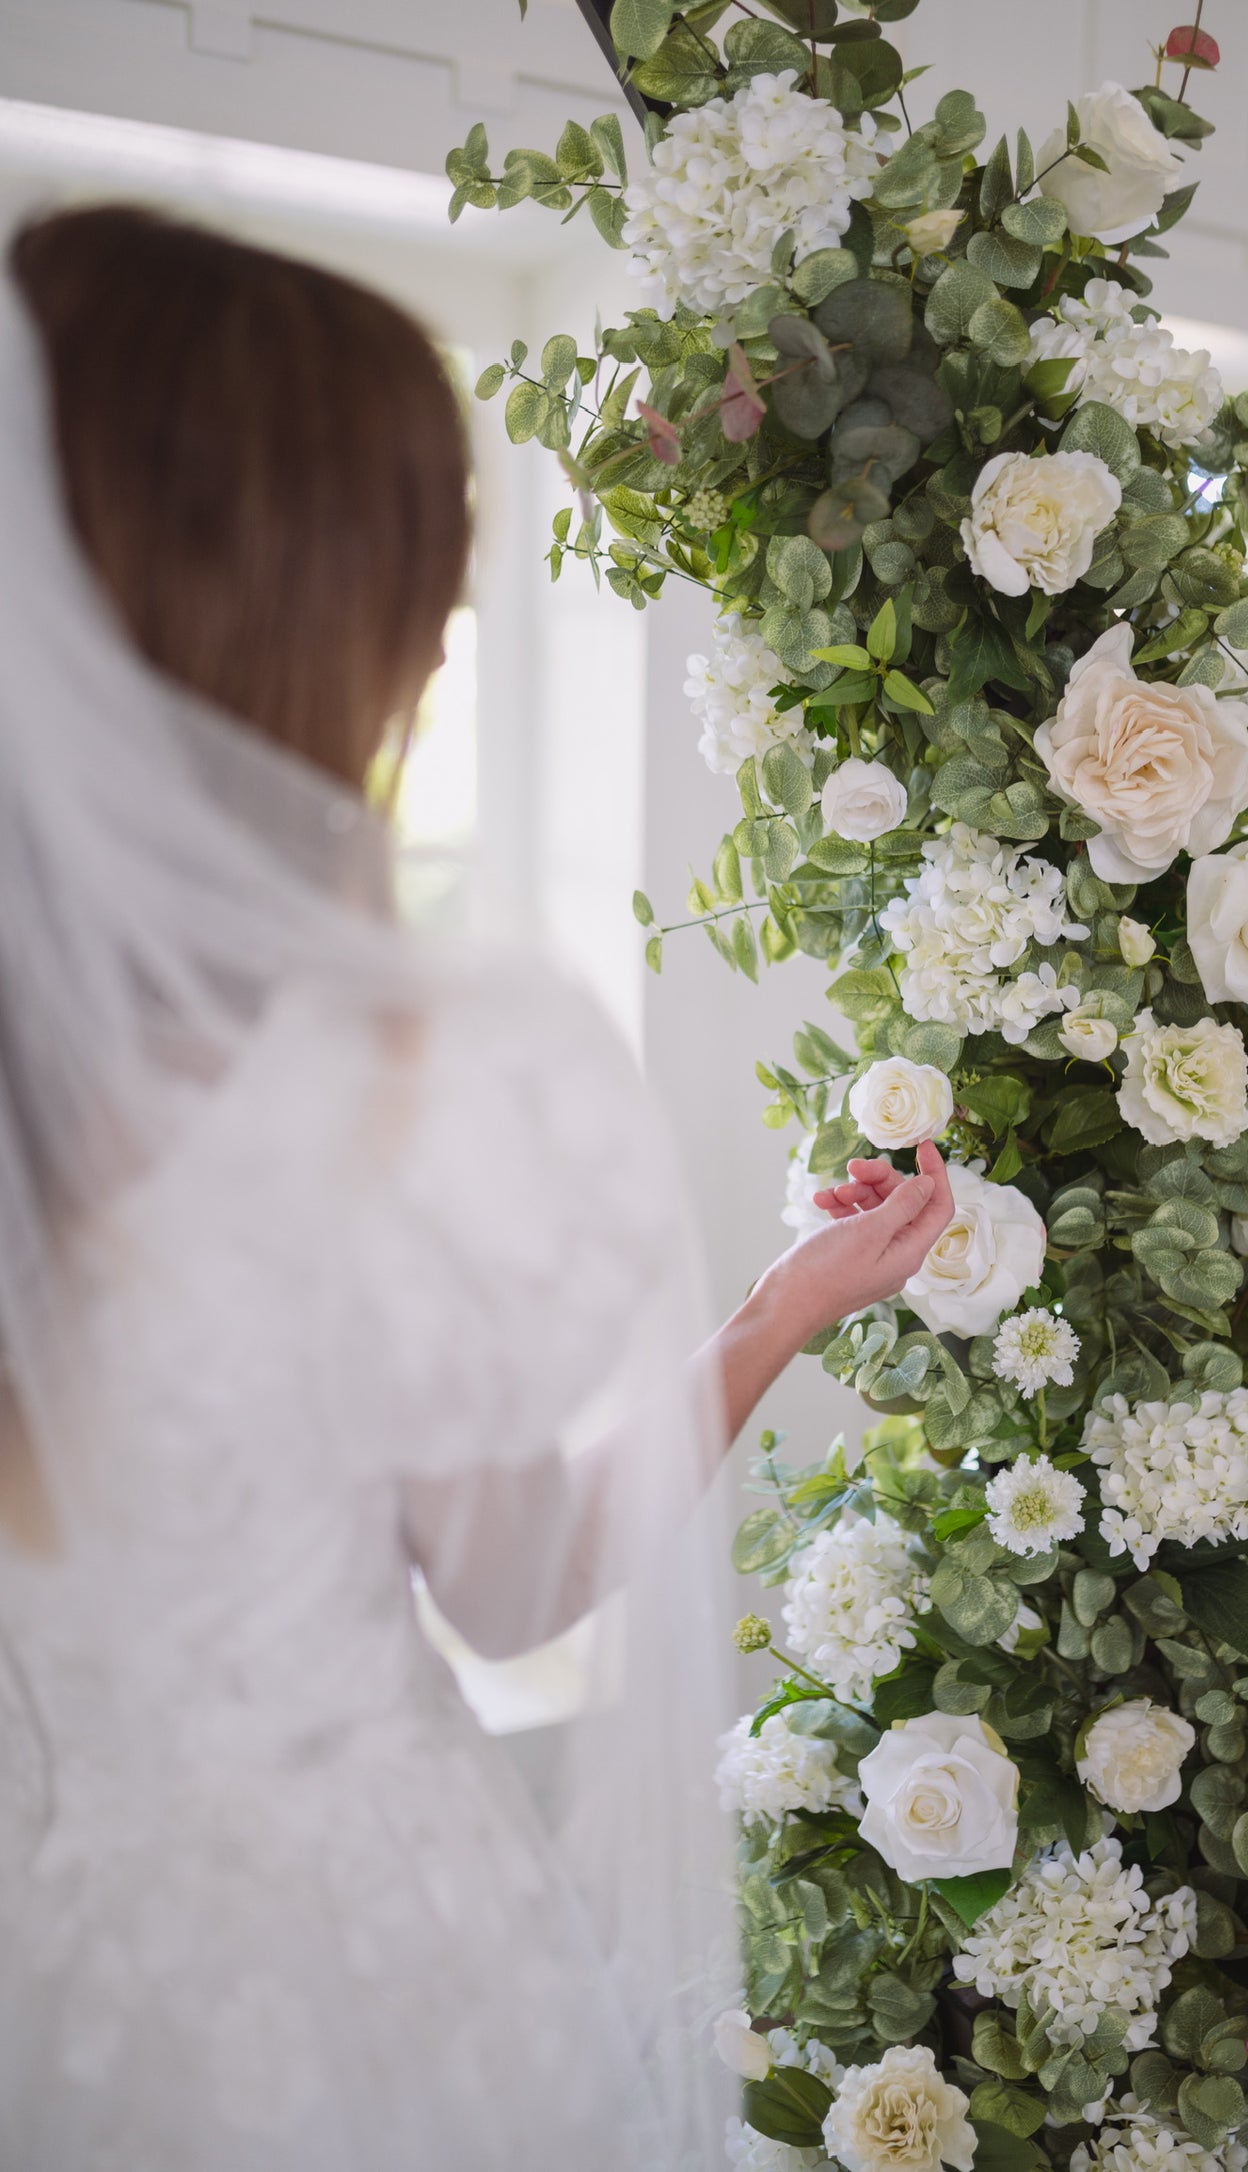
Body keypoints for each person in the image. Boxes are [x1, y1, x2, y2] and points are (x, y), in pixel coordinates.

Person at [0, 204, 955, 2170]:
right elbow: (518, 1585)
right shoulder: (394, 1085)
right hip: (345, 1967)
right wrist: (784, 1310)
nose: (437, 647)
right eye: (425, 597)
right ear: (294, 608)